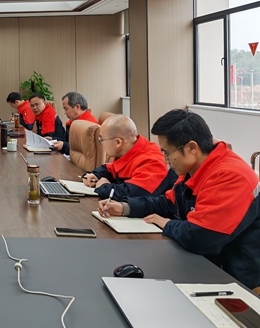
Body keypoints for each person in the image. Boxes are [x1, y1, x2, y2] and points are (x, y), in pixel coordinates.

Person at [99, 109, 260, 289]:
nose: (165, 160)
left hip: (232, 281)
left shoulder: (230, 176)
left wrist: (167, 224)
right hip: (198, 262)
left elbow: (200, 238)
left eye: (167, 153)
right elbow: (168, 202)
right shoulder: (197, 167)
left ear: (191, 147)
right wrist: (125, 208)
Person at [81, 114, 177, 200]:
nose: (101, 144)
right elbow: (110, 169)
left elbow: (133, 194)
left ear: (117, 142)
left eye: (102, 140)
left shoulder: (152, 161)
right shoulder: (129, 151)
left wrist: (104, 187)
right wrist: (96, 175)